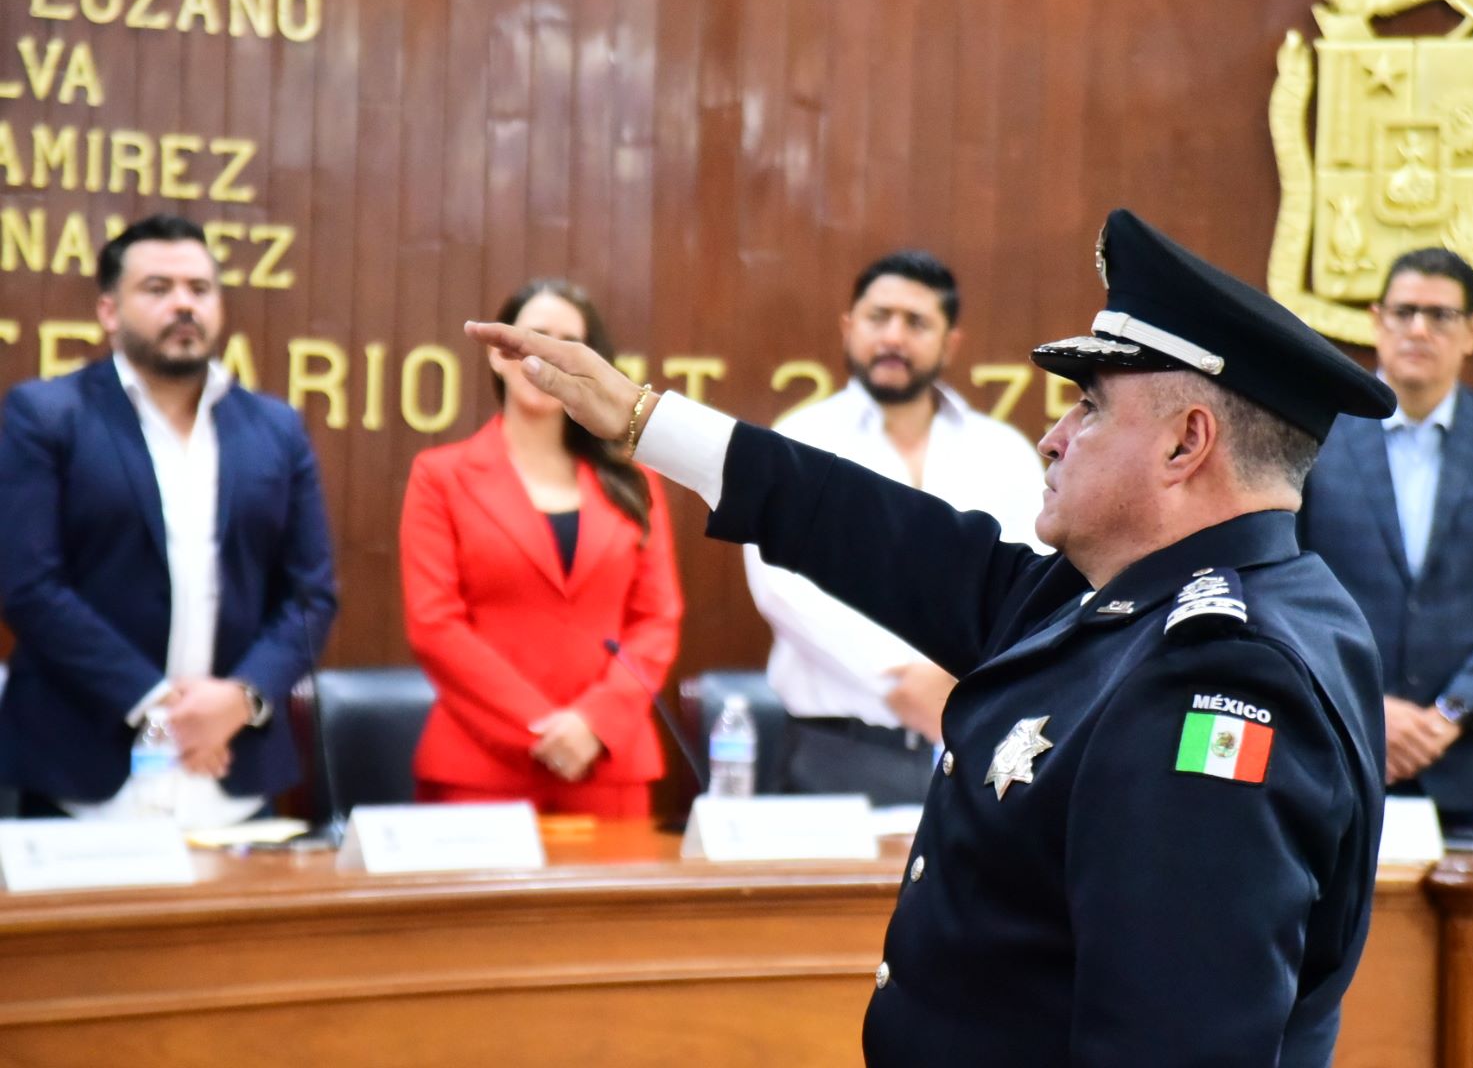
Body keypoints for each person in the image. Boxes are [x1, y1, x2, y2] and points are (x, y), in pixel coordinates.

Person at [466, 208, 1398, 1065]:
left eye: (1089, 406)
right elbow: (889, 539)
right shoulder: (1151, 601)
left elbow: (1170, 1044)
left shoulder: (1214, 674)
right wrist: (644, 420)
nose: (1053, 437)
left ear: (1186, 444)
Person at [0, 214, 338, 828]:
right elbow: (28, 585)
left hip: (233, 778)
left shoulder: (275, 429)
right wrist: (161, 706)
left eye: (199, 289)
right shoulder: (46, 415)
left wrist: (240, 698)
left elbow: (311, 595)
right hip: (83, 780)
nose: (184, 304)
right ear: (109, 311)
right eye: (158, 289)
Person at [743, 250, 1045, 804]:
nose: (893, 337)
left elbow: (1034, 585)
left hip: (980, 745)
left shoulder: (1004, 452)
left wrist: (962, 684)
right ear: (848, 326)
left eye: (917, 322)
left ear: (950, 343)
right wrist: (900, 677)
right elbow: (783, 586)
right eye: (878, 317)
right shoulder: (800, 439)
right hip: (838, 750)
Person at [1299, 248, 1473, 831]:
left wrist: (1451, 713)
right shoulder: (1316, 434)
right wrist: (1370, 706)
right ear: (1377, 320)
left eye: (1441, 315)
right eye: (1404, 312)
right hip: (1343, 746)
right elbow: (1286, 583)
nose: (1419, 329)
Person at [400, 278, 683, 818]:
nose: (547, 355)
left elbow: (657, 621)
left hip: (607, 762)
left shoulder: (635, 483)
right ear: (499, 354)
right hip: (481, 767)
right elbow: (434, 625)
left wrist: (593, 724)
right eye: (534, 336)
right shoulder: (440, 477)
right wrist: (540, 727)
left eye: (568, 343)